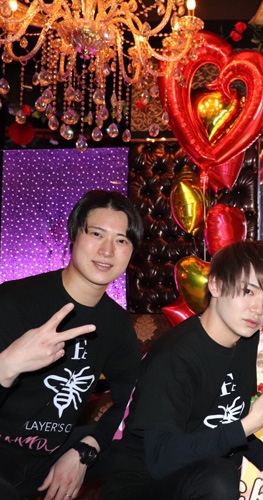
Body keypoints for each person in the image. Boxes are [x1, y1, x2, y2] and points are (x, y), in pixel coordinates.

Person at [101, 240, 263, 500]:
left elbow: (224, 420)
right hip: (142, 485)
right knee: (219, 478)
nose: (258, 309)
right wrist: (246, 426)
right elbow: (161, 459)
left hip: (197, 474)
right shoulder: (174, 357)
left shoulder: (245, 337)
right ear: (215, 285)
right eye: (248, 291)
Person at [0, 190, 144, 500]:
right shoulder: (14, 301)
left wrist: (86, 449)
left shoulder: (116, 324)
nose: (107, 251)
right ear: (74, 236)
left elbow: (133, 400)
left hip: (53, 454)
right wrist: (7, 365)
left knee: (150, 450)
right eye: (97, 234)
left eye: (121, 240)